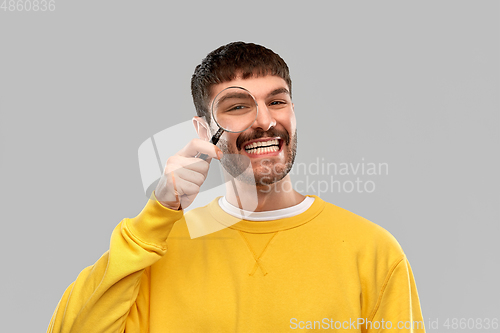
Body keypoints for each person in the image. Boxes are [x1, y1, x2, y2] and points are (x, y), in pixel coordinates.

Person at [47, 42, 425, 333]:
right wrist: (156, 216)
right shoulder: (154, 251)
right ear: (202, 130)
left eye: (277, 101)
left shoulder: (374, 252)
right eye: (238, 107)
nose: (264, 121)